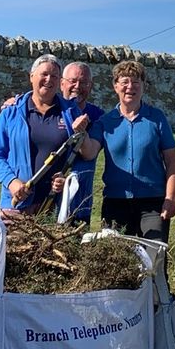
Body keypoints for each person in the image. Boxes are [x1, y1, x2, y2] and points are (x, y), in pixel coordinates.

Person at [0, 54, 99, 215]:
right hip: (16, 205)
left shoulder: (71, 112)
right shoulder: (11, 112)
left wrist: (65, 178)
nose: (49, 79)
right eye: (44, 74)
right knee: (11, 240)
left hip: (54, 207)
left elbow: (80, 155)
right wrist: (12, 182)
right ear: (31, 77)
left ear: (59, 81)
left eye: (54, 76)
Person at [89, 60, 175, 239]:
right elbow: (89, 152)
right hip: (116, 202)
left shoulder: (157, 118)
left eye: (136, 82)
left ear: (143, 86)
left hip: (152, 203)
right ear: (116, 86)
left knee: (154, 257)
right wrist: (81, 133)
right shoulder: (105, 122)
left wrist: (171, 197)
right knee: (117, 261)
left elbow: (172, 161)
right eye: (125, 82)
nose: (130, 87)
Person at [59, 61, 105, 226]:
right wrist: (17, 101)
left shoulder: (98, 116)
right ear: (62, 82)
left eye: (83, 82)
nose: (77, 86)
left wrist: (81, 131)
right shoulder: (50, 109)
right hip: (48, 198)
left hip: (80, 201)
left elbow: (89, 153)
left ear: (91, 86)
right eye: (72, 81)